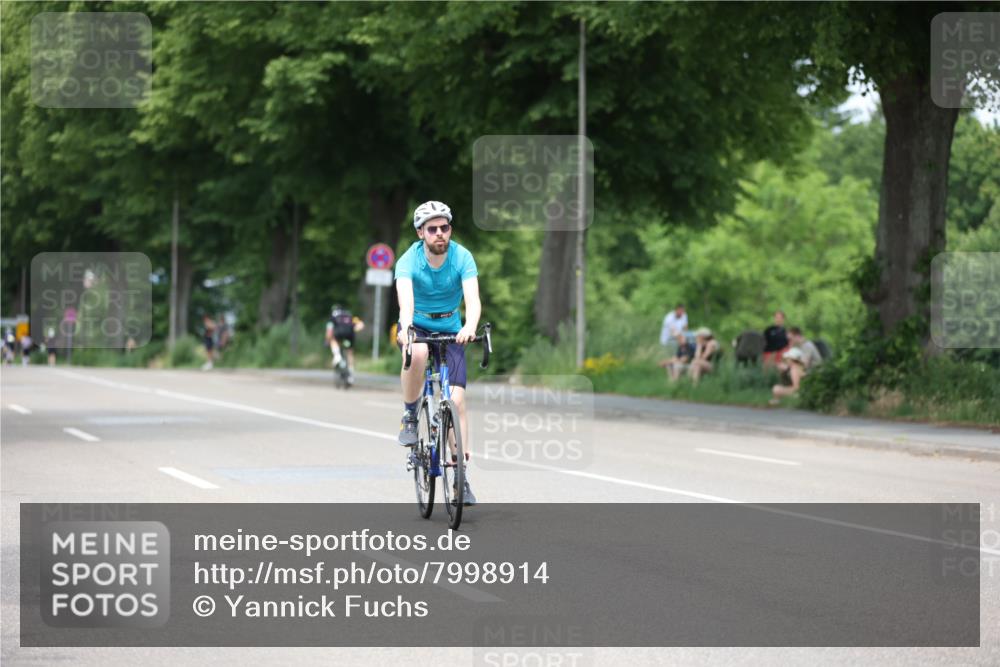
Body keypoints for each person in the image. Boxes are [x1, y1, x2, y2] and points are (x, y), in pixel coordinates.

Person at [395, 200, 481, 505]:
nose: (439, 233)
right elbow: (405, 303)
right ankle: (409, 414)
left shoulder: (462, 257)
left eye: (444, 228)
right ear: (421, 233)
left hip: (451, 329)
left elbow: (473, 300)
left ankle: (460, 478)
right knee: (417, 354)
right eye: (432, 229)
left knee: (457, 401)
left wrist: (470, 326)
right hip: (417, 326)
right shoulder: (407, 261)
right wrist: (406, 329)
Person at [326, 304, 365, 380]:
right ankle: (351, 374)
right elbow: (361, 325)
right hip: (349, 334)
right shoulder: (349, 315)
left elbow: (329, 331)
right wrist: (354, 330)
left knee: (333, 340)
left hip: (339, 333)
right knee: (350, 352)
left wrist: (328, 341)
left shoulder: (333, 316)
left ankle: (337, 356)